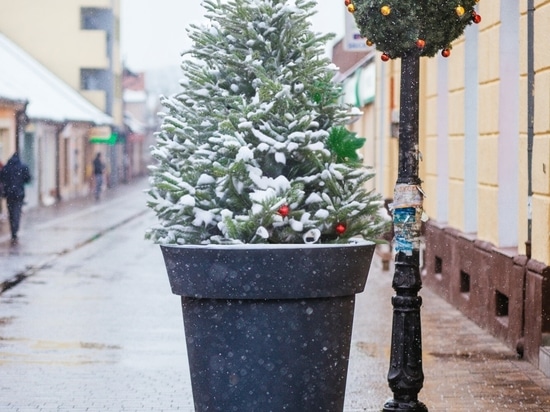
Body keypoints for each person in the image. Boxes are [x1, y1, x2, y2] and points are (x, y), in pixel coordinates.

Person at [0, 153, 31, 245]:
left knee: (11, 212)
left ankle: (13, 230)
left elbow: (1, 178)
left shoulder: (6, 167)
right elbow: (28, 179)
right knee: (16, 212)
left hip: (9, 194)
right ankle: (15, 231)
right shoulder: (22, 166)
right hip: (19, 193)